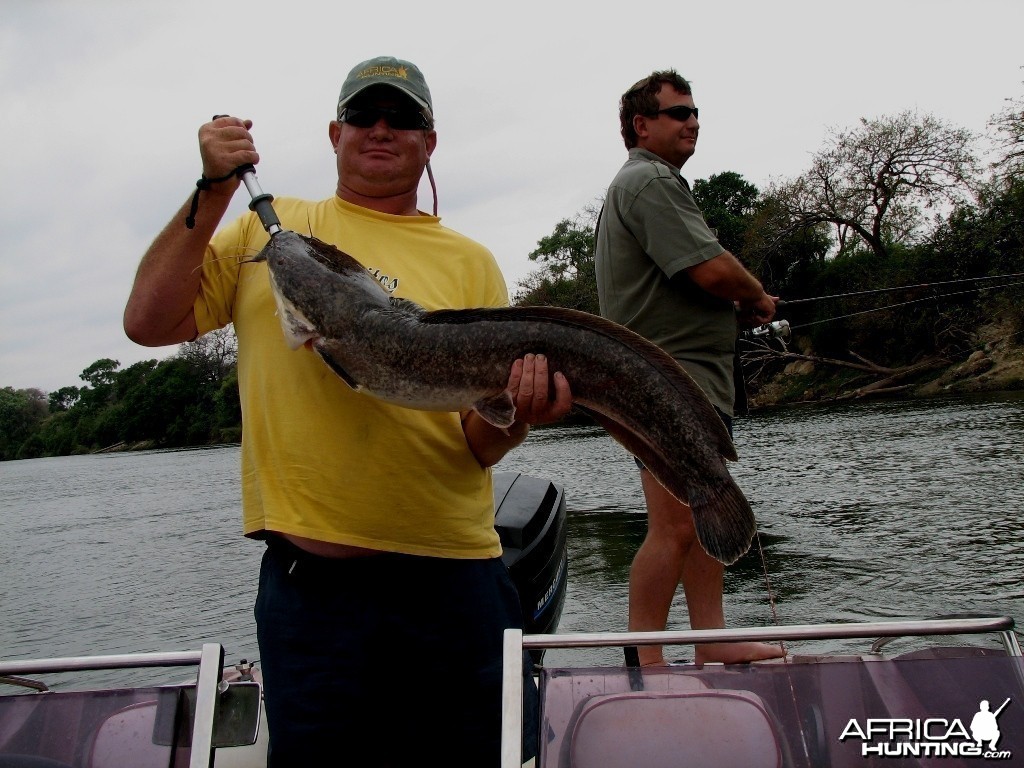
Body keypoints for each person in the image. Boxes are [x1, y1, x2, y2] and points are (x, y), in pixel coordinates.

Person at [123, 56, 571, 766]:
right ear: (335, 133)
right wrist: (212, 192)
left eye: (403, 118)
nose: (381, 129)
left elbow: (475, 444)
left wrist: (517, 412)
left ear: (430, 141)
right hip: (313, 597)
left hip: (452, 583)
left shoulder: (470, 260)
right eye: (364, 115)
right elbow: (147, 322)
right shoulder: (271, 234)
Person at [594, 69, 786, 667]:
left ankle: (711, 640)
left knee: (706, 507)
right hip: (664, 384)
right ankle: (646, 659)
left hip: (687, 381)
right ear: (640, 125)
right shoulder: (649, 180)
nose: (692, 121)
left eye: (695, 111)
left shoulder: (650, 184)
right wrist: (754, 295)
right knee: (675, 526)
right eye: (678, 112)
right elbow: (713, 270)